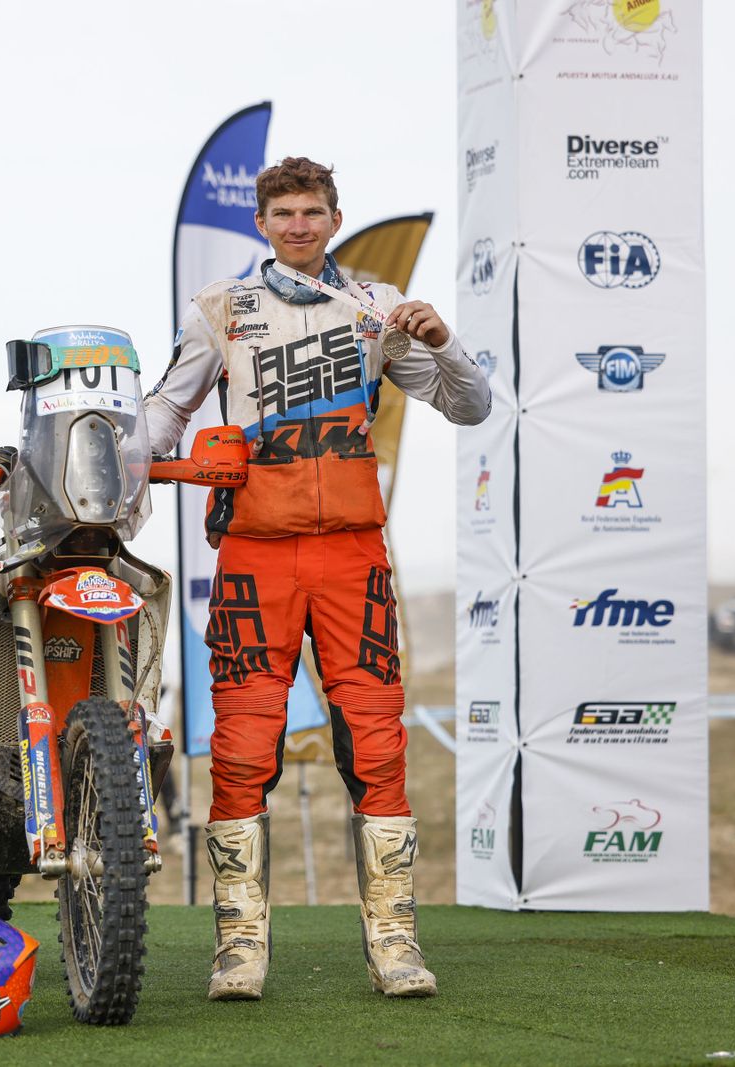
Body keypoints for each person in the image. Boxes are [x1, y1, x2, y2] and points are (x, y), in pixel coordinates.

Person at [143, 157, 491, 1001]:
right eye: (283, 212)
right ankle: (240, 946)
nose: (298, 225)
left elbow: (472, 406)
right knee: (241, 747)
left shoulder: (374, 308)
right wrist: (117, 467)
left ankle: (395, 940)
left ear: (335, 218)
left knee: (378, 744)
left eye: (313, 212)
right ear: (262, 223)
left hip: (352, 556)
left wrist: (445, 340)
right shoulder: (220, 309)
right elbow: (167, 407)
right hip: (255, 557)